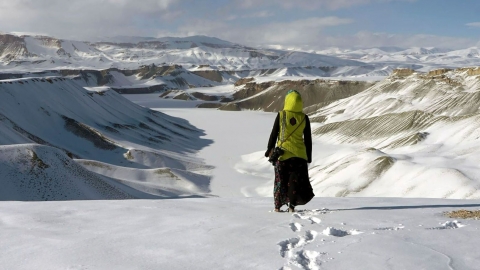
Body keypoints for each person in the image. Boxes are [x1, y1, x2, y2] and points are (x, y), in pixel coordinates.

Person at [265, 89, 314, 212]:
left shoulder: (281, 115)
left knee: (280, 181)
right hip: (299, 156)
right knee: (294, 182)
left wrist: (269, 150)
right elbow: (308, 140)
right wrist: (308, 156)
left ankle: (277, 207)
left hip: (282, 155)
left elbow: (273, 134)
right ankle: (291, 207)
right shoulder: (304, 118)